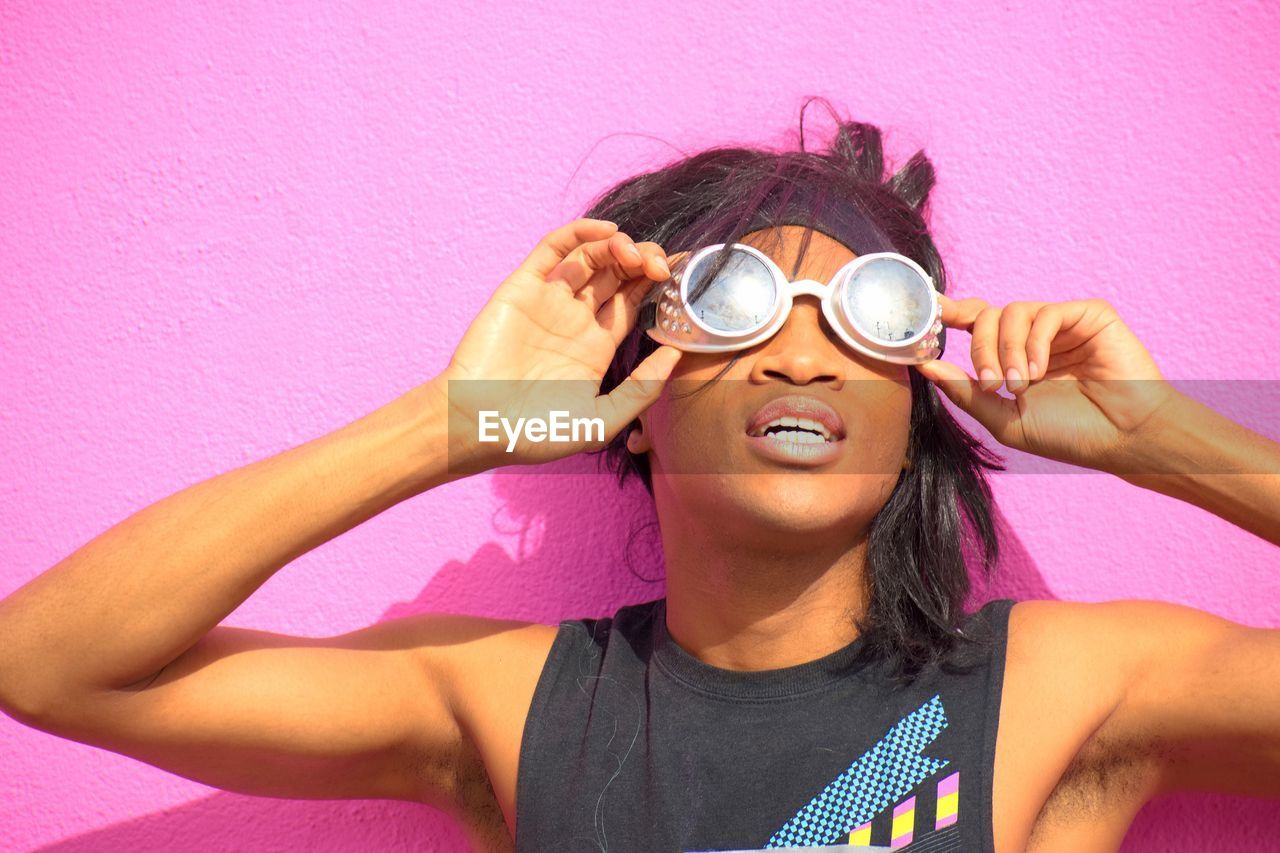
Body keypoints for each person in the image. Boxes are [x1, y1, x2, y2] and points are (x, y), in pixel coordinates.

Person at [0, 107, 1277, 853]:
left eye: (866, 316)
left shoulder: (1073, 690)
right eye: (733, 303)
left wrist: (1170, 441)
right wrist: (452, 428)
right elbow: (48, 665)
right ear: (637, 389)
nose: (799, 352)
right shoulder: (511, 705)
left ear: (917, 397)